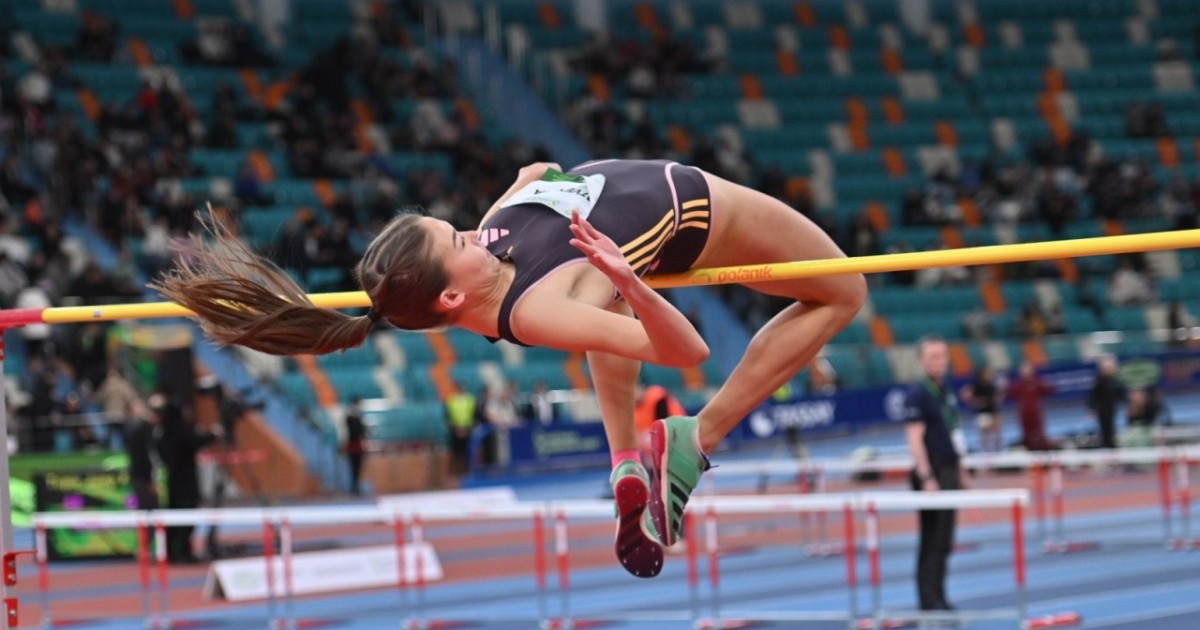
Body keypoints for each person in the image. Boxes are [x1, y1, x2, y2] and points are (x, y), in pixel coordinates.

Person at [152, 159, 866, 578]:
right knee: (843, 289)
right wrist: (634, 278)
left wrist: (540, 186)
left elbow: (530, 176)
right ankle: (697, 439)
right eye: (460, 237)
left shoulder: (488, 257)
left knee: (605, 309)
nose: (477, 231)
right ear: (453, 296)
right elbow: (686, 353)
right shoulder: (532, 309)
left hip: (617, 224)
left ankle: (624, 460)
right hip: (690, 207)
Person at [904, 336, 966, 613]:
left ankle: (940, 596)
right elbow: (915, 438)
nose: (938, 362)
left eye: (942, 356)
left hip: (949, 467)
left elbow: (953, 432)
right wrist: (927, 476)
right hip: (932, 471)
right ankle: (927, 600)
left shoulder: (945, 390)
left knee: (944, 540)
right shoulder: (918, 392)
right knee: (931, 539)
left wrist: (961, 471)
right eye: (932, 357)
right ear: (921, 361)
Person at [1008, 362, 1056, 451]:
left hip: (1035, 411)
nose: (1026, 372)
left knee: (1039, 431)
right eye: (1024, 370)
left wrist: (1048, 385)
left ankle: (1045, 450)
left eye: (1027, 370)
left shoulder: (1037, 382)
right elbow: (1009, 394)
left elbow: (1048, 390)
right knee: (1027, 433)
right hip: (1024, 412)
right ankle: (1030, 451)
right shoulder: (1018, 384)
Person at [960, 366, 1003, 453]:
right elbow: (965, 395)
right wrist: (976, 402)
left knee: (998, 428)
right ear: (983, 374)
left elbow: (997, 398)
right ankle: (985, 451)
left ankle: (998, 449)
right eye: (987, 373)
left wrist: (997, 397)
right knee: (984, 434)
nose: (989, 375)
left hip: (992, 411)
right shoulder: (977, 385)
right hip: (982, 413)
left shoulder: (992, 385)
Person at [1088, 356, 1125, 449]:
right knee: (1104, 428)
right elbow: (1094, 396)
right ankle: (1106, 444)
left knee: (1111, 427)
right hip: (1102, 409)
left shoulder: (1115, 381)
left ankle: (1110, 443)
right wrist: (1092, 409)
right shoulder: (1100, 381)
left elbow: (1120, 394)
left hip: (1111, 408)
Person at [344, 397, 367, 495]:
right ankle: (353, 486)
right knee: (353, 467)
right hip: (353, 444)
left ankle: (357, 485)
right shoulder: (350, 417)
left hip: (358, 445)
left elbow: (363, 432)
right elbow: (354, 432)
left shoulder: (360, 417)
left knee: (358, 467)